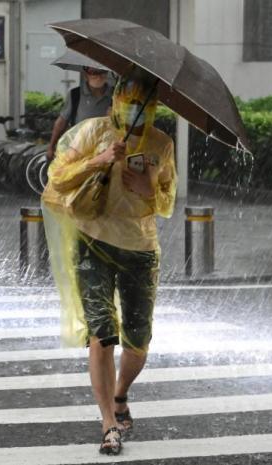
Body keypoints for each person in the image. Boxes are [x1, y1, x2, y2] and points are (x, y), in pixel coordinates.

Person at [41, 68, 177, 456]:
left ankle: (120, 393)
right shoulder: (92, 132)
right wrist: (98, 160)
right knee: (101, 333)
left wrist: (150, 188)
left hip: (140, 248)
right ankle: (108, 424)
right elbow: (57, 178)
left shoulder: (161, 143)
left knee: (138, 341)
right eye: (128, 101)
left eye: (142, 104)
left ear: (151, 108)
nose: (134, 110)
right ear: (117, 100)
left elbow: (168, 199)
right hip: (92, 242)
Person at [46, 66, 113, 161]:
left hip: (106, 152)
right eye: (94, 72)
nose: (98, 76)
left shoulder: (116, 94)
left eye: (102, 71)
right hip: (78, 151)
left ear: (107, 74)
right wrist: (51, 146)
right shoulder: (75, 94)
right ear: (86, 75)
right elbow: (61, 122)